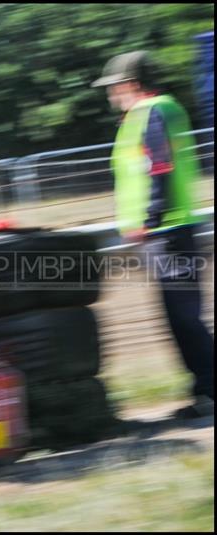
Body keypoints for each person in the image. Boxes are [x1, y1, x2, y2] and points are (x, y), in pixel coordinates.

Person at [92, 50, 214, 418]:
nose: (111, 94)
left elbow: (159, 164)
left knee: (183, 317)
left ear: (131, 84)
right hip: (165, 231)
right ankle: (206, 391)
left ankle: (211, 391)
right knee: (179, 316)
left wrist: (150, 216)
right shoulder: (149, 113)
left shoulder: (152, 112)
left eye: (113, 87)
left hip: (167, 230)